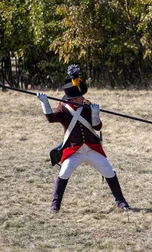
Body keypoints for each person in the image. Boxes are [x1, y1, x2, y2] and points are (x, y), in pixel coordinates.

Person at [36, 64, 130, 213]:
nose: (81, 98)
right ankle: (55, 206)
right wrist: (45, 103)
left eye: (81, 96)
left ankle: (121, 202)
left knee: (109, 172)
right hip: (74, 151)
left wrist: (95, 114)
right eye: (78, 97)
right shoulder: (62, 109)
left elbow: (97, 127)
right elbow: (51, 119)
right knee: (63, 174)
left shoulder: (88, 106)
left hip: (92, 148)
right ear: (71, 97)